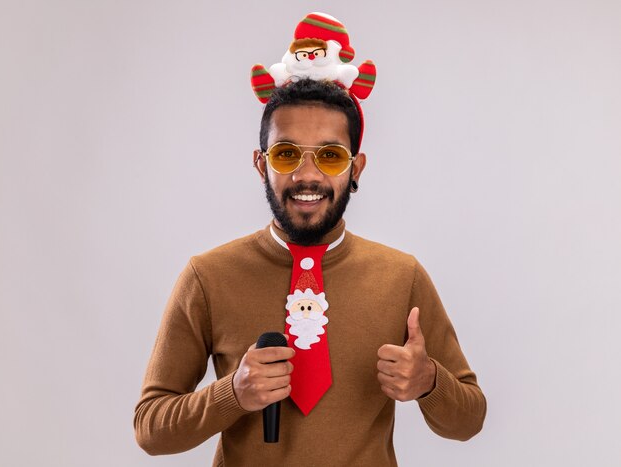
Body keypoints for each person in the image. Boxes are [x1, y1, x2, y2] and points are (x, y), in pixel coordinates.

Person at [134, 13, 486, 467]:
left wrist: (430, 382)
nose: (307, 175)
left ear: (355, 170)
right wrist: (232, 394)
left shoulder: (403, 276)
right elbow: (150, 430)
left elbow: (470, 420)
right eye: (286, 153)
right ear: (262, 165)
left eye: (330, 155)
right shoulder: (207, 276)